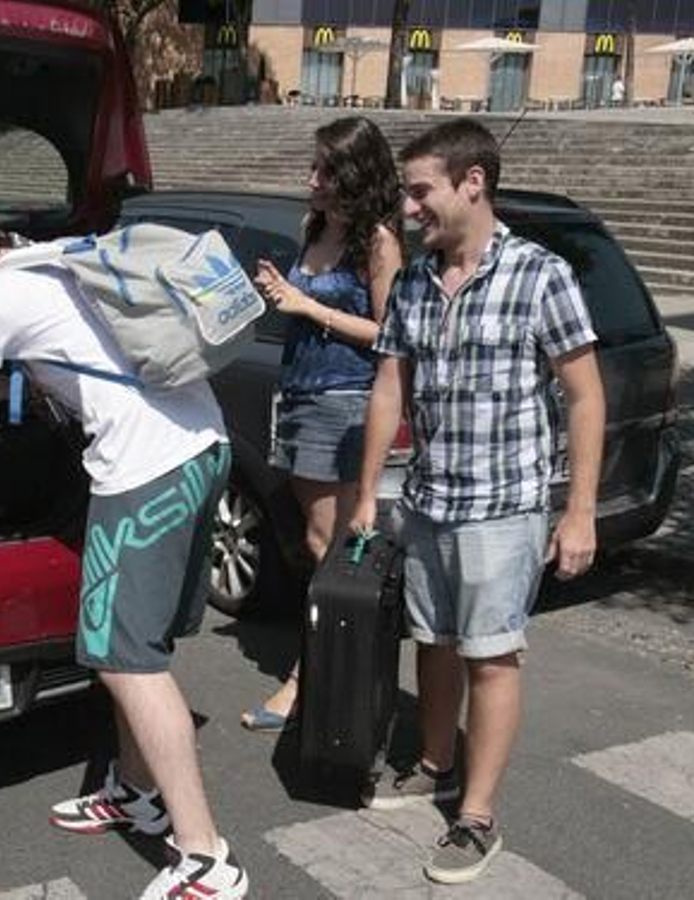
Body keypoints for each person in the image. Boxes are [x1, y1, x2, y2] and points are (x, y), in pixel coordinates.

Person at [0, 193, 247, 900]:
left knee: (125, 660)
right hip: (205, 447)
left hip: (143, 471)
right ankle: (135, 792)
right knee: (141, 649)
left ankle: (205, 856)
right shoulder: (54, 255)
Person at [348, 118, 604, 884]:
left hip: (505, 505)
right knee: (434, 641)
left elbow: (584, 396)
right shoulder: (418, 281)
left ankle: (477, 817)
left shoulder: (539, 275)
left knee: (492, 657)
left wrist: (579, 509)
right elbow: (389, 384)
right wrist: (367, 492)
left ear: (473, 183)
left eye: (421, 190)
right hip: (428, 500)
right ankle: (435, 761)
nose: (409, 206)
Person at [240, 116, 403, 733]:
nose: (312, 179)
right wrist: (280, 292)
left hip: (342, 399)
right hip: (300, 394)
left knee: (329, 547)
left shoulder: (379, 241)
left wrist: (308, 305)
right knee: (317, 542)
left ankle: (316, 675)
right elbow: (305, 310)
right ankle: (334, 664)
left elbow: (390, 333)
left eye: (325, 170)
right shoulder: (316, 228)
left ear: (354, 175)